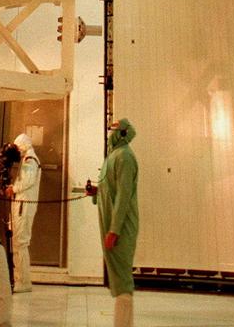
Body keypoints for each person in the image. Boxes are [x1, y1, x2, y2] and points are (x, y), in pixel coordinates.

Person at [95, 118, 139, 327]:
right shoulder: (113, 156)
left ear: (122, 133)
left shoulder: (125, 157)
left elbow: (123, 196)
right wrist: (95, 193)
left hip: (121, 227)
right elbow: (108, 189)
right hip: (112, 225)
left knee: (122, 281)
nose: (109, 133)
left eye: (113, 129)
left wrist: (114, 230)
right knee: (119, 279)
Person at [7, 131, 40, 292]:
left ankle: (23, 280)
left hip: (23, 205)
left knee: (20, 242)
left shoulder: (30, 160)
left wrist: (14, 189)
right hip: (22, 204)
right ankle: (20, 277)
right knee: (18, 242)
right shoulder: (28, 159)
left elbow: (27, 181)